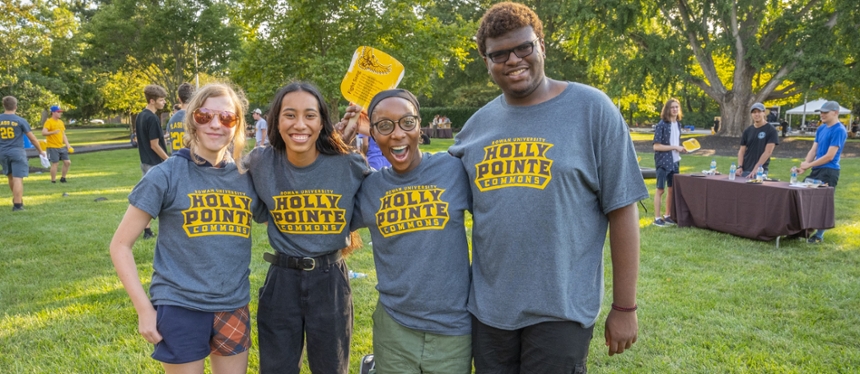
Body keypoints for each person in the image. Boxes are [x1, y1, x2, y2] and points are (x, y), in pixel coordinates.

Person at [447, 3, 649, 372]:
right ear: (486, 61)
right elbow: (430, 186)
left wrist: (625, 307)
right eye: (499, 54)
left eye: (523, 47)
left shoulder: (592, 109)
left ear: (541, 45)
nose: (513, 60)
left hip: (561, 311)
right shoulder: (476, 127)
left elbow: (622, 209)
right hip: (489, 312)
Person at [109, 83, 264, 374]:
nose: (216, 124)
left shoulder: (247, 177)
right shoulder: (165, 175)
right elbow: (120, 245)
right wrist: (144, 310)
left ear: (238, 125)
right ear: (192, 119)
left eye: (226, 117)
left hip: (233, 304)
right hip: (180, 305)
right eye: (205, 116)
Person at [247, 81, 369, 374]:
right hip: (281, 281)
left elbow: (391, 188)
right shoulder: (260, 163)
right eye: (289, 115)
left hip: (330, 282)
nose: (299, 124)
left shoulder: (349, 164)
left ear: (322, 122)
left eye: (310, 115)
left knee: (331, 368)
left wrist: (374, 128)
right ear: (276, 121)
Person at [348, 90, 473, 373]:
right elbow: (327, 214)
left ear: (420, 126)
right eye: (384, 126)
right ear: (372, 134)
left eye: (407, 122)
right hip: (395, 328)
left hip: (453, 330)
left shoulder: (453, 169)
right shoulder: (370, 188)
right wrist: (340, 146)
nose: (397, 134)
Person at [796, 100, 847, 244]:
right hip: (817, 169)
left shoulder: (839, 130)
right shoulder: (821, 128)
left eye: (825, 112)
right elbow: (814, 149)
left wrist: (809, 165)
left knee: (823, 203)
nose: (822, 115)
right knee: (806, 198)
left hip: (829, 171)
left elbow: (830, 156)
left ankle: (819, 236)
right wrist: (804, 165)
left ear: (835, 113)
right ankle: (802, 231)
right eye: (821, 112)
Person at [1, 96, 47, 211]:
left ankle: (17, 199)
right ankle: (18, 205)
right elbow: (32, 139)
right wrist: (40, 151)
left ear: (4, 106)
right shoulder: (20, 120)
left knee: (10, 176)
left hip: (2, 152)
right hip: (17, 152)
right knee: (18, 178)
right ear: (15, 106)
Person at [136, 84, 170, 240]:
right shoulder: (152, 118)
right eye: (161, 100)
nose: (164, 102)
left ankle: (147, 230)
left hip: (144, 162)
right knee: (154, 198)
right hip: (154, 164)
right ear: (152, 101)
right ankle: (149, 230)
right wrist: (169, 160)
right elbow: (154, 145)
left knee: (148, 196)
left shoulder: (140, 116)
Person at [652, 98, 686, 227]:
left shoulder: (678, 124)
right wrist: (675, 147)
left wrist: (680, 148)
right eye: (672, 107)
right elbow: (656, 146)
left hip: (675, 161)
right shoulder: (661, 124)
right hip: (663, 161)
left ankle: (667, 215)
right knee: (660, 190)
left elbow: (675, 143)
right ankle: (657, 218)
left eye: (677, 107)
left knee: (672, 189)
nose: (675, 109)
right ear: (667, 109)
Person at [736, 102, 779, 178]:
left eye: (759, 112)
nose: (756, 114)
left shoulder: (771, 130)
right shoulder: (747, 131)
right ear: (751, 114)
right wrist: (740, 166)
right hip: (745, 170)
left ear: (764, 113)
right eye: (754, 112)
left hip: (760, 171)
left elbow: (768, 152)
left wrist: (756, 168)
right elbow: (742, 151)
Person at [42, 105, 72, 183]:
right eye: (58, 112)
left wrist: (68, 145)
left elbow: (63, 134)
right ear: (53, 113)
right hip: (52, 146)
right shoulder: (49, 122)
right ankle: (53, 180)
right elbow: (44, 132)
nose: (60, 113)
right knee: (55, 163)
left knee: (67, 162)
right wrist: (53, 132)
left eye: (60, 112)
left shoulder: (61, 122)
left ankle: (63, 178)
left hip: (61, 146)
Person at [166, 83, 194, 154]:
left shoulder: (172, 119)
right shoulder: (194, 117)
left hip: (176, 156)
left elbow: (171, 143)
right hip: (191, 157)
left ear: (179, 99)